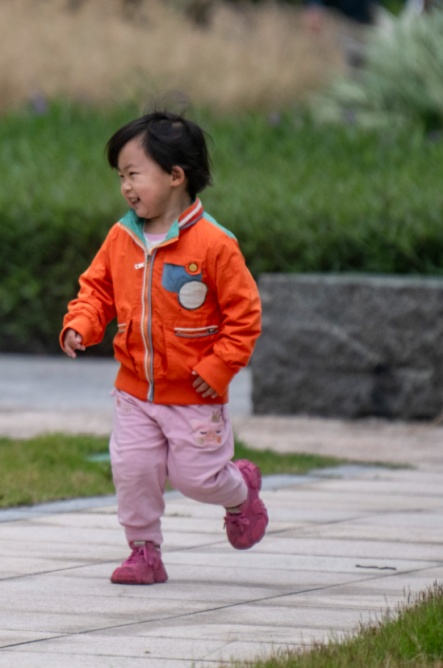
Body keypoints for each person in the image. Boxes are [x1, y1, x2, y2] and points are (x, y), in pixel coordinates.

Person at [60, 111, 268, 585]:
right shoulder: (122, 237)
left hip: (195, 393)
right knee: (133, 471)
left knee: (198, 479)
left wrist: (218, 367)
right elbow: (97, 290)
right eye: (121, 177)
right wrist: (81, 324)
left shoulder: (215, 245)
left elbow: (244, 317)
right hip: (135, 391)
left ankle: (240, 491)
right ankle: (144, 552)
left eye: (134, 174)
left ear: (176, 175)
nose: (125, 187)